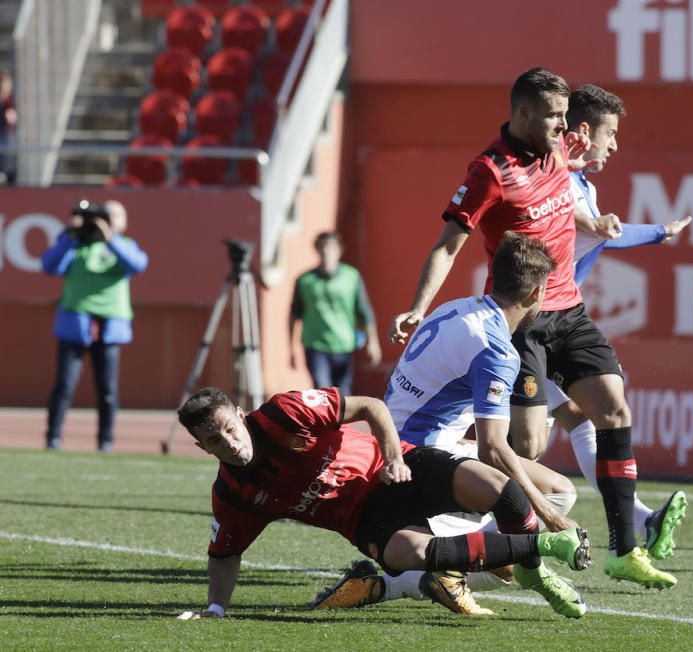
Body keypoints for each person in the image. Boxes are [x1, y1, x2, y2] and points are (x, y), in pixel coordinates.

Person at [388, 67, 675, 589]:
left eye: (566, 117)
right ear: (523, 114)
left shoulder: (559, 150)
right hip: (524, 321)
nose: (565, 126)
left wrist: (600, 222)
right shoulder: (490, 171)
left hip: (570, 310)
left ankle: (624, 547)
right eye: (554, 116)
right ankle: (468, 534)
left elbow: (569, 198)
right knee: (527, 446)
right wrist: (417, 306)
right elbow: (447, 245)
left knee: (614, 409)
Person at [315, 233, 583, 615]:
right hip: (417, 465)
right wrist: (549, 517)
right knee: (511, 557)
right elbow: (494, 449)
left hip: (395, 446)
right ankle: (392, 584)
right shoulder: (497, 350)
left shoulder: (453, 308)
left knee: (558, 490)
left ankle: (433, 567)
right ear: (537, 293)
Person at [174, 385, 591, 620]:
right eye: (214, 441)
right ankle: (545, 547)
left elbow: (371, 406)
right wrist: (216, 608)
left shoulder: (286, 412)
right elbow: (224, 553)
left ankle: (534, 573)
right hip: (366, 517)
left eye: (229, 429)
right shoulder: (233, 493)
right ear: (202, 448)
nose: (230, 444)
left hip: (397, 466)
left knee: (498, 486)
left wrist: (393, 457)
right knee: (411, 553)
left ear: (241, 414)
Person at [547, 83, 693, 561]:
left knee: (578, 417)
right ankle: (458, 532)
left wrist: (654, 232)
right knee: (515, 441)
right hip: (527, 326)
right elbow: (597, 228)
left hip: (551, 324)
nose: (615, 144)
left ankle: (639, 522)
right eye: (610, 133)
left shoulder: (580, 185)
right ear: (583, 131)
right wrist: (654, 231)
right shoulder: (556, 180)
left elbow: (602, 230)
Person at [41, 200, 148, 452]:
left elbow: (137, 264)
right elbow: (49, 266)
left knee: (107, 390)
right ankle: (53, 438)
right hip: (75, 323)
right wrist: (70, 234)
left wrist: (109, 238)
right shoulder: (75, 245)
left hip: (109, 326)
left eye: (113, 216)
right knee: (64, 385)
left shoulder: (124, 245)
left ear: (123, 222)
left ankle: (105, 440)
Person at [289, 232, 381, 394]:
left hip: (344, 344)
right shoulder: (305, 280)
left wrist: (373, 342)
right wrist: (292, 348)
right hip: (315, 345)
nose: (327, 252)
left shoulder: (352, 277)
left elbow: (364, 311)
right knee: (322, 390)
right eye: (323, 247)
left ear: (339, 251)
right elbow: (294, 314)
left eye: (331, 248)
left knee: (343, 393)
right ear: (317, 250)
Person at [0, 69, 15, 184]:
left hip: (5, 136)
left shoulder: (9, 103)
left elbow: (11, 121)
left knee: (8, 141)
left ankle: (4, 172)